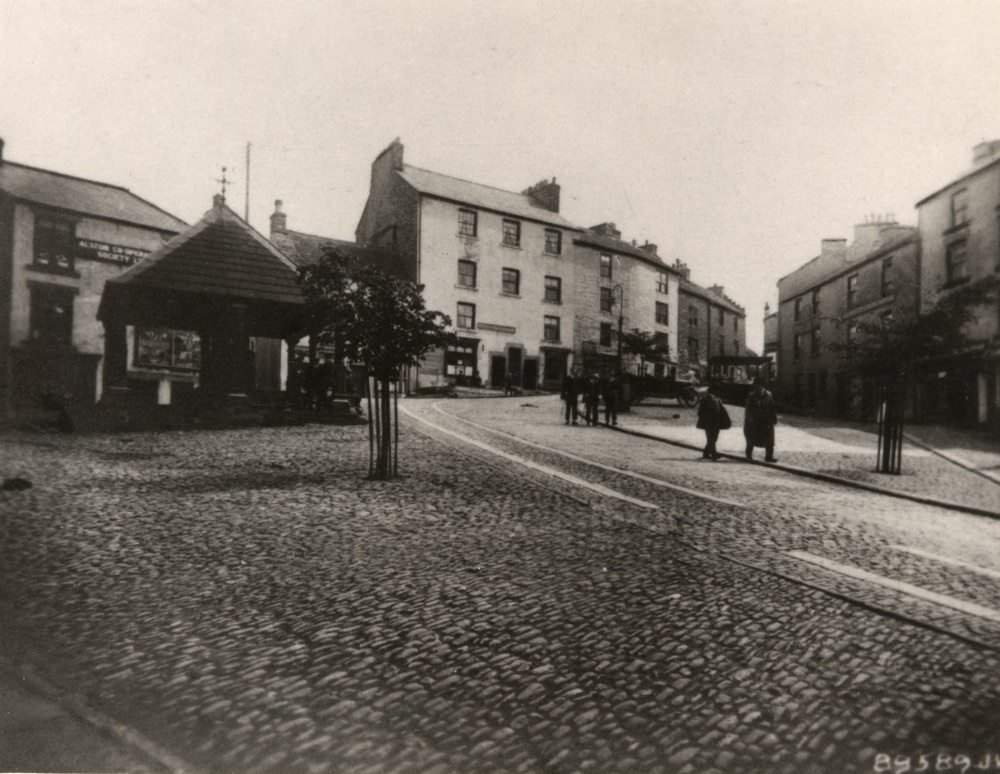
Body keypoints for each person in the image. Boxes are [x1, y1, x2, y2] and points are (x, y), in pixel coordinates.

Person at [744, 377, 778, 462]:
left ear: (763, 387)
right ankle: (749, 455)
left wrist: (774, 417)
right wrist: (750, 418)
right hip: (755, 421)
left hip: (767, 420)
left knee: (769, 439)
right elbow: (748, 409)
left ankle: (769, 457)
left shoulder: (769, 395)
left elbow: (772, 407)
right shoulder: (752, 396)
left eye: (760, 386)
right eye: (757, 386)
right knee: (751, 439)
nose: (758, 388)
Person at [696, 383, 729, 460]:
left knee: (714, 438)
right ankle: (714, 454)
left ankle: (706, 453)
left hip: (716, 422)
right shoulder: (704, 400)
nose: (712, 394)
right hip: (708, 422)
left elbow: (722, 411)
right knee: (711, 438)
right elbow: (699, 412)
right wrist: (706, 417)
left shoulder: (718, 400)